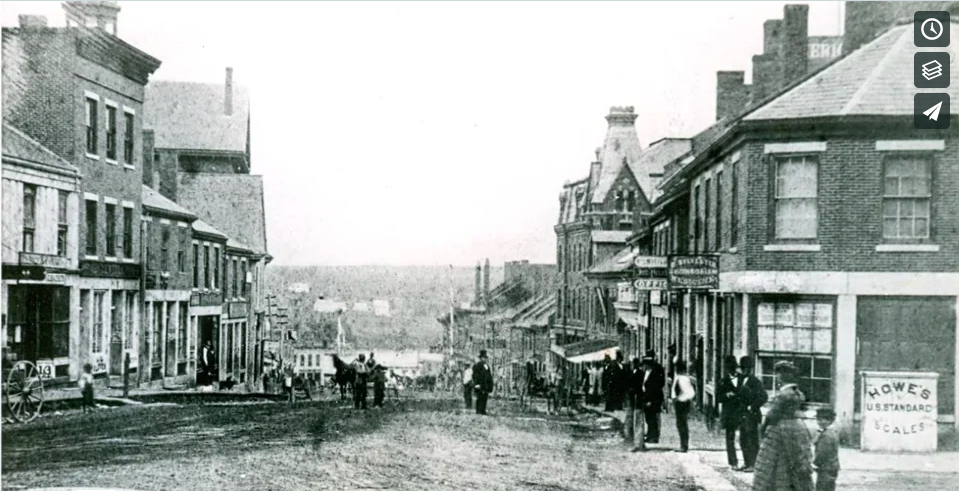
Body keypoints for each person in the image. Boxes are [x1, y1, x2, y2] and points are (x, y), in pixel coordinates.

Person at [753, 361, 814, 491]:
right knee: (792, 462)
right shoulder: (798, 392)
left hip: (780, 430)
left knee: (773, 463)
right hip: (797, 429)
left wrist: (763, 430)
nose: (777, 377)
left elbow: (771, 416)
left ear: (782, 376)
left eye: (778, 374)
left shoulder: (784, 394)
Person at [738, 356, 767, 472]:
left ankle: (753, 464)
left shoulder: (756, 382)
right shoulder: (739, 380)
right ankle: (746, 462)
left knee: (752, 440)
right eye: (744, 368)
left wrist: (752, 407)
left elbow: (764, 397)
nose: (746, 371)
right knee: (743, 439)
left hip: (751, 415)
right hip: (742, 414)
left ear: (751, 369)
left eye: (748, 368)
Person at [717, 355, 744, 469]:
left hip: (741, 411)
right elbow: (718, 398)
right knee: (730, 438)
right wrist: (726, 395)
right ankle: (733, 462)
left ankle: (748, 461)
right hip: (729, 413)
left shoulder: (743, 379)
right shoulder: (723, 381)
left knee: (745, 437)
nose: (731, 369)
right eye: (729, 367)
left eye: (733, 367)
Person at [641, 350, 666, 444]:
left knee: (654, 417)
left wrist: (651, 399)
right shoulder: (647, 371)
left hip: (654, 398)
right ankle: (650, 434)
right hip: (647, 397)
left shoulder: (658, 369)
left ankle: (654, 436)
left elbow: (658, 385)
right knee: (649, 417)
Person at [671, 360, 696, 452]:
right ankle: (683, 444)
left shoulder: (684, 379)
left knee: (682, 424)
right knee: (680, 424)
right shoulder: (678, 377)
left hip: (682, 403)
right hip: (679, 403)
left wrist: (682, 398)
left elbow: (690, 392)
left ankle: (684, 446)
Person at [813, 407, 841, 491]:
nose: (819, 422)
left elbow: (822, 452)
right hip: (831, 467)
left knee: (823, 488)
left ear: (829, 421)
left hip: (826, 468)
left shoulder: (826, 435)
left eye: (822, 420)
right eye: (818, 419)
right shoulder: (831, 432)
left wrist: (814, 463)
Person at [627, 357, 646, 451]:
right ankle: (639, 442)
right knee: (636, 422)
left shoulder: (640, 373)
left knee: (638, 422)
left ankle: (639, 444)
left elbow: (639, 387)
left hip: (638, 400)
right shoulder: (633, 372)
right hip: (634, 401)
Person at [472, 350, 494, 415]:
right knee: (479, 397)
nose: (484, 359)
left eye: (485, 358)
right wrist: (476, 383)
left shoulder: (486, 366)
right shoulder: (477, 365)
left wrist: (490, 384)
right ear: (481, 358)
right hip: (479, 383)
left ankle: (483, 410)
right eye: (483, 358)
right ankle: (478, 410)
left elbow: (489, 375)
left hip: (485, 384)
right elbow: (475, 375)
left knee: (484, 397)